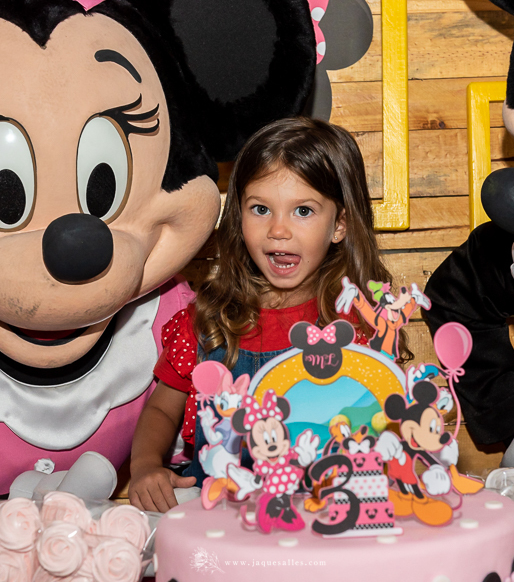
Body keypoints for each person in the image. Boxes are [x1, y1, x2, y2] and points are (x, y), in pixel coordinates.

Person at [128, 117, 410, 512]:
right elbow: (160, 407)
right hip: (219, 521)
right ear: (237, 215)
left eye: (303, 211)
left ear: (340, 225)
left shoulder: (360, 328)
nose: (278, 230)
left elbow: (381, 422)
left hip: (320, 518)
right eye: (261, 208)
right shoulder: (208, 320)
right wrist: (143, 467)